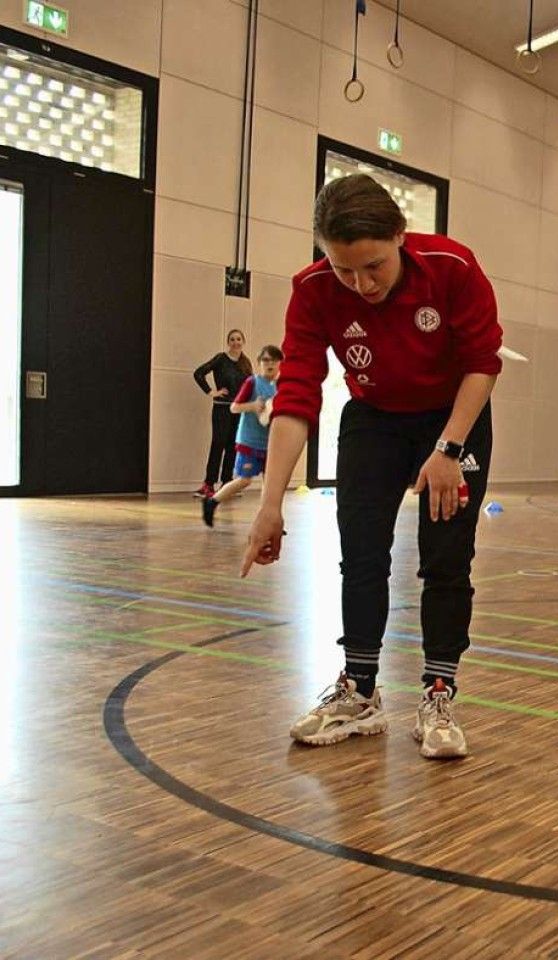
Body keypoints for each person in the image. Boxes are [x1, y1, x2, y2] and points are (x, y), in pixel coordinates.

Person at [239, 174, 503, 760]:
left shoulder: (452, 267)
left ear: (400, 239)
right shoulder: (311, 291)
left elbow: (483, 362)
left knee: (446, 558)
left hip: (453, 415)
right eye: (344, 270)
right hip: (374, 419)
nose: (361, 284)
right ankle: (359, 691)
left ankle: (439, 691)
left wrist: (449, 450)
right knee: (360, 555)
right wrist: (269, 503)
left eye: (374, 267)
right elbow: (298, 396)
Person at [202, 345, 282, 527]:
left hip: (270, 444)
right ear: (259, 363)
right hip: (249, 442)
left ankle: (268, 521)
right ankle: (212, 502)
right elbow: (234, 407)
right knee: (244, 480)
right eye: (265, 360)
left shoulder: (281, 386)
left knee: (270, 484)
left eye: (274, 360)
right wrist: (253, 406)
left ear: (279, 364)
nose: (269, 364)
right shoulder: (252, 383)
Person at [192, 329, 251, 498]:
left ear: (243, 342)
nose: (235, 342)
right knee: (218, 444)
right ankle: (208, 485)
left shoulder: (245, 363)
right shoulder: (220, 359)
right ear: (228, 342)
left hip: (238, 410)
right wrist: (211, 392)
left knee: (232, 446)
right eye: (232, 339)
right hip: (221, 408)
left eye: (238, 339)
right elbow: (199, 373)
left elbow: (249, 385)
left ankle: (227, 483)